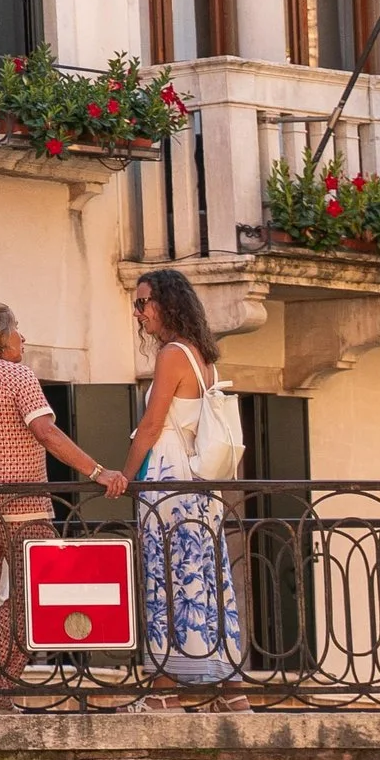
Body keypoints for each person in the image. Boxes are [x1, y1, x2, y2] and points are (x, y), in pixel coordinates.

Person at [0, 304, 128, 694]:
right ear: (0, 337)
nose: (22, 336)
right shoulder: (18, 375)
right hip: (22, 508)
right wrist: (97, 471)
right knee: (40, 599)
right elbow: (46, 432)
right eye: (17, 328)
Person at [123, 269, 244, 687]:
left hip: (169, 475)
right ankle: (226, 684)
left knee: (168, 576)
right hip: (197, 482)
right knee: (201, 575)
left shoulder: (173, 354)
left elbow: (152, 426)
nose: (138, 313)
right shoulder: (203, 355)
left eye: (143, 303)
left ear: (167, 302)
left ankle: (167, 684)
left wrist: (124, 476)